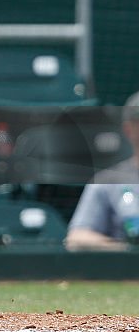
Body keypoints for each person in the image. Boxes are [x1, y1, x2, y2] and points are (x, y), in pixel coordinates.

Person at [65, 91, 139, 251]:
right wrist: (126, 250)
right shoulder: (108, 181)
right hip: (127, 271)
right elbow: (77, 238)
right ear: (129, 130)